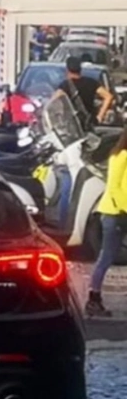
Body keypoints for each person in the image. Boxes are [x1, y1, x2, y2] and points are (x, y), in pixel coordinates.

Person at [87, 125, 127, 318]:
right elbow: (114, 187)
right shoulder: (121, 157)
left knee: (107, 256)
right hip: (115, 213)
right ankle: (93, 300)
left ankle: (94, 300)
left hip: (119, 212)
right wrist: (124, 210)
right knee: (106, 257)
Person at [54, 55, 114, 128]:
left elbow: (53, 101)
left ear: (67, 70)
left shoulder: (65, 86)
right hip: (89, 123)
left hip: (72, 126)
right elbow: (108, 96)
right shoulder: (91, 82)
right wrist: (100, 116)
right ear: (80, 69)